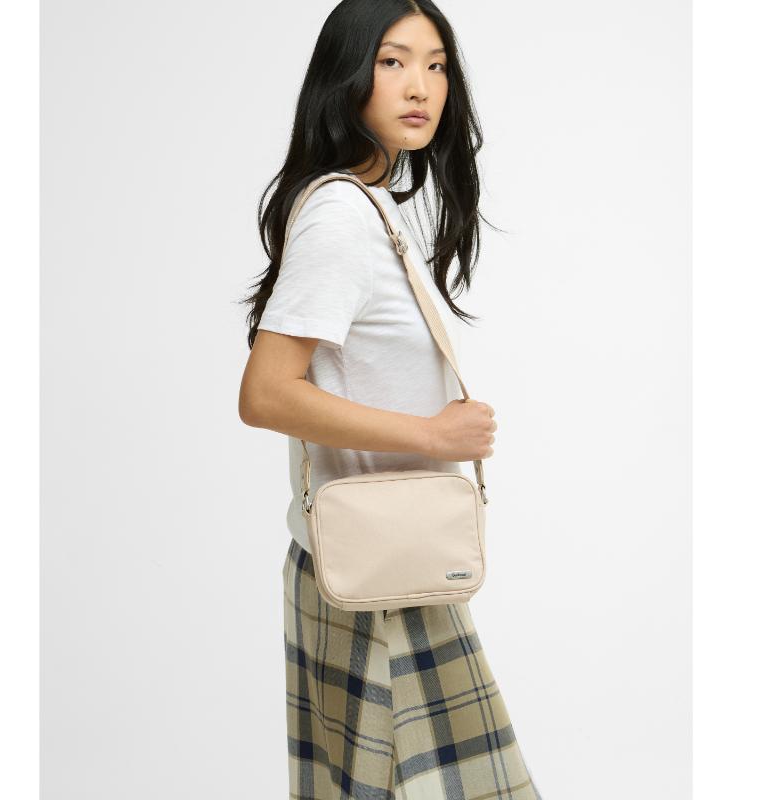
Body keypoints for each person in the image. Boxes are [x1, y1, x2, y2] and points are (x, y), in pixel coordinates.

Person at [239, 1, 543, 797]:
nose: (421, 86)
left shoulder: (374, 210)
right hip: (373, 568)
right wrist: (432, 437)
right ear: (346, 74)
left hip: (389, 559)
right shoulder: (341, 214)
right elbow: (266, 393)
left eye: (436, 65)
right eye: (393, 61)